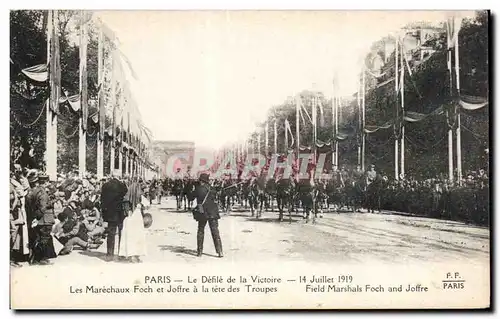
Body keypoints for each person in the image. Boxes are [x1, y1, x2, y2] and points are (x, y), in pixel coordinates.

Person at [25, 173, 57, 265]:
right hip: (45, 219)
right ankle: (39, 259)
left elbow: (30, 204)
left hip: (40, 219)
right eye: (48, 182)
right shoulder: (43, 193)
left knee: (39, 239)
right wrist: (37, 217)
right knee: (44, 239)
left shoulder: (34, 191)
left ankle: (36, 259)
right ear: (46, 182)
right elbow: (43, 207)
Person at [194, 173, 223, 258]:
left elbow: (191, 197)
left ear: (201, 181)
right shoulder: (212, 189)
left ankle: (199, 252)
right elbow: (216, 194)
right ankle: (220, 251)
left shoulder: (198, 189)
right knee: (215, 232)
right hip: (213, 212)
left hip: (202, 212)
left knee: (200, 231)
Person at [119, 178, 147, 263]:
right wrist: (141, 205)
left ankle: (132, 255)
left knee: (130, 236)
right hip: (136, 215)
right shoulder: (139, 194)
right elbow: (146, 204)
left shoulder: (127, 195)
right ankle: (134, 255)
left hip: (131, 216)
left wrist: (128, 210)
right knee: (137, 235)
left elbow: (125, 202)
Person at [100, 175, 128, 262]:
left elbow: (102, 200)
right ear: (118, 176)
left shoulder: (105, 185)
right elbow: (125, 194)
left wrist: (104, 214)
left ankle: (109, 254)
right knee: (121, 233)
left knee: (111, 234)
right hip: (120, 213)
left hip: (110, 213)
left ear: (112, 176)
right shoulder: (122, 185)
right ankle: (121, 254)